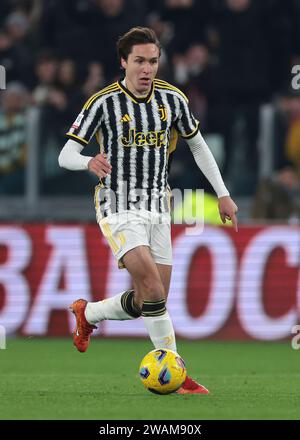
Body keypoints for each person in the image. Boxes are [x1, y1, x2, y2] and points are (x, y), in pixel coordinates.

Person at [58, 27, 238, 394]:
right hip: (117, 204)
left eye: (153, 61)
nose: (147, 69)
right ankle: (178, 374)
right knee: (153, 289)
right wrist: (89, 161)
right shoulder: (103, 102)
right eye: (139, 61)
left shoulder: (173, 99)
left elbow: (199, 147)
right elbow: (65, 155)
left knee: (148, 301)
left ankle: (87, 313)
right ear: (123, 62)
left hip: (159, 207)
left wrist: (222, 194)